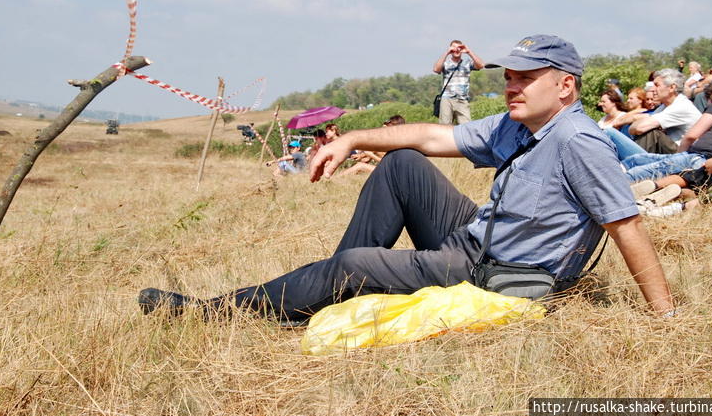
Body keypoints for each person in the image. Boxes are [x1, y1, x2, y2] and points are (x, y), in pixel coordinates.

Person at [138, 34, 674, 323]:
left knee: (354, 264)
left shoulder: (579, 141)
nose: (513, 87)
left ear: (565, 87)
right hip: (479, 236)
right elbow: (429, 138)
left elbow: (626, 224)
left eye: (526, 79)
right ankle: (333, 289)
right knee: (402, 164)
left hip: (508, 272)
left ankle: (217, 312)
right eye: (509, 77)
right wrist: (350, 139)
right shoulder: (521, 123)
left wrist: (663, 316)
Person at [618, 77, 712, 182]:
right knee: (635, 160)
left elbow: (691, 136)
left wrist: (677, 158)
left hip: (700, 159)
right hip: (705, 160)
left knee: (634, 173)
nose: (708, 107)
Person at [603, 68, 701, 159]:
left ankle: (634, 166)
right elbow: (633, 129)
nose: (652, 89)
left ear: (672, 87)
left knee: (611, 133)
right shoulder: (664, 107)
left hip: (683, 156)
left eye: (657, 85)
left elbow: (638, 128)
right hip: (671, 152)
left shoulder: (680, 106)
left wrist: (638, 120)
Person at [432, 40, 484, 125]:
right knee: (444, 127)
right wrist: (447, 53)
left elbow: (481, 65)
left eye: (459, 48)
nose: (456, 50)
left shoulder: (467, 63)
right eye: (454, 48)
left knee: (467, 126)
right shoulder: (446, 63)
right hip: (447, 98)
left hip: (462, 99)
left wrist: (468, 51)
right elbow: (436, 69)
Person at [336, 115, 406, 178]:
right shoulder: (388, 141)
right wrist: (361, 156)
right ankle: (341, 177)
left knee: (360, 166)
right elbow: (374, 150)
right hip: (388, 170)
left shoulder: (398, 143)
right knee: (362, 162)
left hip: (393, 173)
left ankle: (336, 178)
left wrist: (371, 155)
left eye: (388, 127)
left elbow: (388, 163)